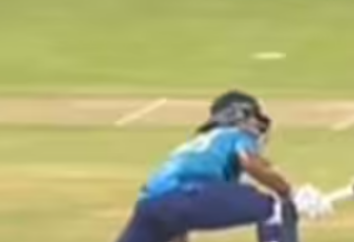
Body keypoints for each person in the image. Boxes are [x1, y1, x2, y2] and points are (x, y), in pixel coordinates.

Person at [114, 90, 333, 242]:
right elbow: (250, 163)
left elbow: (175, 218)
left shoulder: (193, 146)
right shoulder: (236, 134)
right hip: (192, 191)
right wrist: (289, 195)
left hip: (149, 204)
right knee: (274, 209)